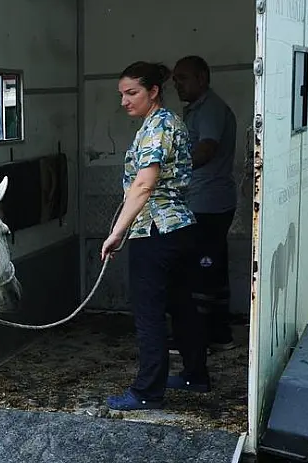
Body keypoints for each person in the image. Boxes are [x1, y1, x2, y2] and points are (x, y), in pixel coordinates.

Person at [100, 61, 210, 411]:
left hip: (156, 231)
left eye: (132, 93)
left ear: (153, 91)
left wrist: (117, 233)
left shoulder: (157, 127)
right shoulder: (163, 123)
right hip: (178, 229)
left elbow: (144, 184)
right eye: (121, 94)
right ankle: (195, 375)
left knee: (149, 313)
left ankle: (148, 390)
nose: (125, 101)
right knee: (181, 306)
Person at [172, 55, 238, 352]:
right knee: (212, 268)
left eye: (183, 78)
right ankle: (219, 334)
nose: (177, 85)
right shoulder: (197, 109)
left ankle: (197, 339)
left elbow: (207, 148)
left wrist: (173, 169)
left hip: (206, 203)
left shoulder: (210, 108)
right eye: (174, 79)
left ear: (202, 78)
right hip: (210, 201)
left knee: (199, 270)